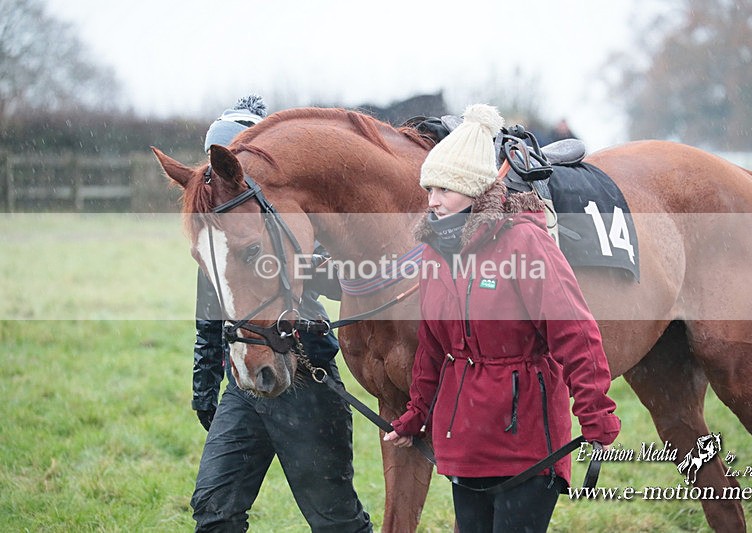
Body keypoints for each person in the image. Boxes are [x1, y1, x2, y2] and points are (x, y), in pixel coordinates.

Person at [383, 104, 620, 532]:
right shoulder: (435, 251)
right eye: (429, 189)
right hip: (465, 446)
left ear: (474, 190)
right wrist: (416, 414)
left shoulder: (524, 242)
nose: (432, 201)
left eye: (444, 189)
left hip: (527, 445)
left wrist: (596, 413)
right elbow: (434, 347)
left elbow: (575, 331)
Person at [190, 95, 372, 532]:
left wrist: (305, 266)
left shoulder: (300, 222)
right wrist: (204, 384)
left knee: (335, 521)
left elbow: (343, 282)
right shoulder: (221, 237)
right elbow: (211, 317)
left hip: (306, 379)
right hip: (244, 384)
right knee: (214, 509)